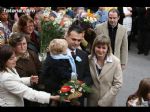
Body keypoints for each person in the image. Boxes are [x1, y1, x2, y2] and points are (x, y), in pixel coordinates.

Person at [87, 34, 123, 106]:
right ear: (94, 47)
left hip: (108, 101)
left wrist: (105, 101)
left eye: (104, 48)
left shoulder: (115, 62)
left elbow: (118, 84)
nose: (101, 50)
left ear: (108, 49)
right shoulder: (88, 59)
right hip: (92, 100)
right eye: (98, 47)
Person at [8, 32, 43, 106]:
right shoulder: (8, 60)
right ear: (13, 47)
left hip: (34, 91)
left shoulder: (31, 54)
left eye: (24, 44)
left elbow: (40, 70)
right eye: (19, 44)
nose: (23, 46)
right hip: (19, 96)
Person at [41, 38, 77, 106]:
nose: (67, 50)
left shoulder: (53, 56)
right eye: (66, 48)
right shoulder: (57, 61)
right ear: (61, 51)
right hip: (56, 83)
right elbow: (62, 73)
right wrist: (71, 75)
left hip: (54, 82)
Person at [64, 23, 93, 106]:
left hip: (78, 99)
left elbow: (88, 76)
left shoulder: (83, 55)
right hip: (62, 98)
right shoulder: (57, 53)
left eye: (79, 40)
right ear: (66, 37)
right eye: (73, 39)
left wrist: (79, 88)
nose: (76, 43)